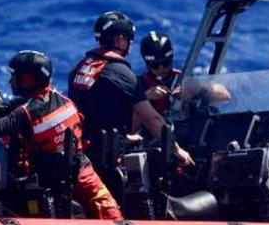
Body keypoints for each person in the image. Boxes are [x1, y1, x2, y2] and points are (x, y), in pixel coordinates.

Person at [0, 50, 123, 220]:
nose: (10, 80)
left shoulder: (27, 113)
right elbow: (9, 108)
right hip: (82, 170)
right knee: (111, 211)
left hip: (56, 180)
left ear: (28, 80)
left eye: (14, 76)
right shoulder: (60, 99)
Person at [68, 11, 193, 165]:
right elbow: (153, 120)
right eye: (129, 39)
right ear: (120, 39)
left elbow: (94, 114)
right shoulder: (123, 74)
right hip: (106, 157)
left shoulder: (78, 69)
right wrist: (177, 150)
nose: (130, 44)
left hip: (80, 151)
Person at [137, 31, 182, 115]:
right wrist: (145, 97)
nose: (161, 69)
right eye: (155, 65)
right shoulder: (140, 84)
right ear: (147, 64)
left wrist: (191, 91)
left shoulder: (181, 78)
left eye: (166, 63)